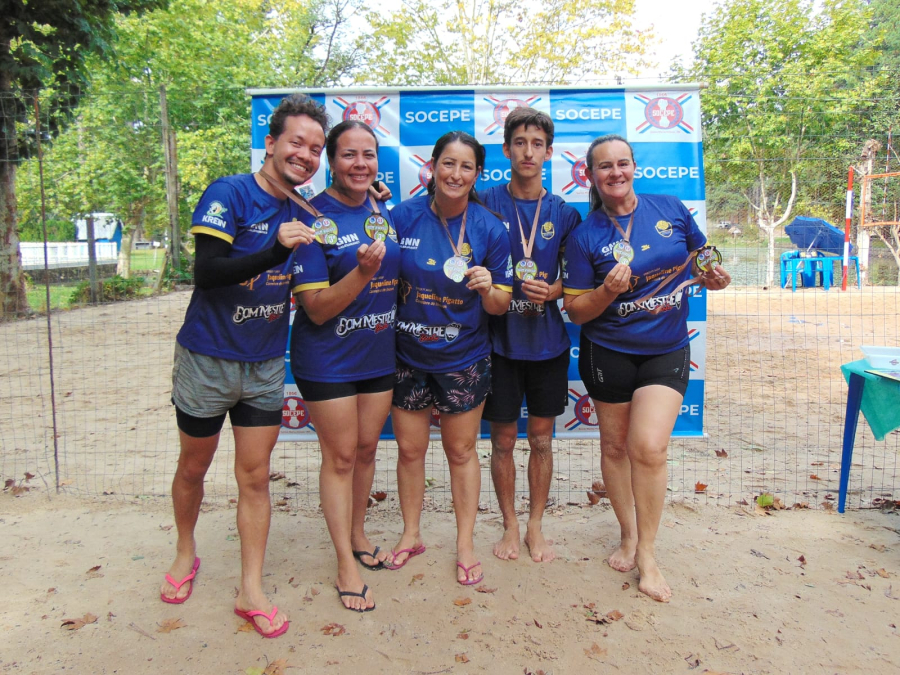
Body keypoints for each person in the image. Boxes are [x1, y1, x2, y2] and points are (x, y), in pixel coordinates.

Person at [161, 94, 328, 638]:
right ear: (272, 143)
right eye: (296, 142)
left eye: (315, 148)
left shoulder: (304, 209)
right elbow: (206, 273)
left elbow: (352, 215)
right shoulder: (229, 192)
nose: (305, 155)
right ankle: (186, 552)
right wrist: (275, 252)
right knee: (193, 469)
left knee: (254, 478)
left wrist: (373, 197)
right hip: (207, 360)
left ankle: (250, 587)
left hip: (261, 365)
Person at [562, 134, 731, 602]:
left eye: (622, 164)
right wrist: (607, 293)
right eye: (604, 167)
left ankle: (650, 556)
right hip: (608, 352)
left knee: (650, 448)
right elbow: (577, 312)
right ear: (591, 176)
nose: (614, 173)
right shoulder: (585, 235)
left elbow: (703, 258)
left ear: (634, 167)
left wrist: (716, 277)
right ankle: (628, 534)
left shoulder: (670, 208)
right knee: (615, 446)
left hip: (667, 348)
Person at [386, 131, 512, 585]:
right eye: (448, 164)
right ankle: (411, 534)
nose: (456, 174)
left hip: (464, 358)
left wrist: (488, 288)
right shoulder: (401, 217)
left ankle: (464, 544)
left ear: (477, 174)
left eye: (466, 167)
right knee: (409, 451)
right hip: (408, 355)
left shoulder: (490, 228)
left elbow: (500, 305)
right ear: (433, 167)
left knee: (461, 452)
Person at [289, 120, 400, 612]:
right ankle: (344, 562)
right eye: (349, 155)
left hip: (377, 354)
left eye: (369, 155)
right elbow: (314, 308)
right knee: (339, 459)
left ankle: (357, 533)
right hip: (327, 359)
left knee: (366, 449)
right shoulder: (311, 217)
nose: (360, 164)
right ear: (331, 161)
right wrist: (362, 272)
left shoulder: (381, 206)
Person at [479, 108, 581, 563]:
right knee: (502, 441)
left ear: (549, 152)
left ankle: (536, 524)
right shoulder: (483, 202)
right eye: (519, 142)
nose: (528, 151)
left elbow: (582, 278)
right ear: (506, 149)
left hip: (547, 344)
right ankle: (509, 524)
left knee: (541, 440)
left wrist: (556, 289)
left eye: (537, 143)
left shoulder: (563, 212)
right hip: (497, 343)